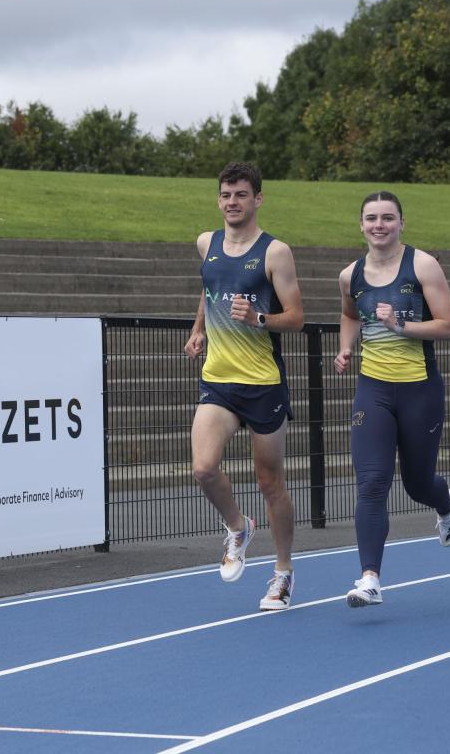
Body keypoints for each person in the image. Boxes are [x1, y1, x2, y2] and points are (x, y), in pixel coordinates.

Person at [184, 161, 305, 611]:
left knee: (270, 481)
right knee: (203, 469)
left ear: (257, 199)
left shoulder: (275, 253)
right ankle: (238, 526)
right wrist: (198, 328)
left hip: (262, 383)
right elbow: (209, 287)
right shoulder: (207, 243)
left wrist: (259, 319)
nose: (231, 202)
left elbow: (296, 316)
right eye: (225, 195)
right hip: (218, 379)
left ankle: (283, 573)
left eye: (240, 195)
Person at [334, 191, 450, 608]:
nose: (379, 225)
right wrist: (346, 348)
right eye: (371, 218)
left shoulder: (422, 265)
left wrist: (401, 323)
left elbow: (447, 326)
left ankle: (445, 506)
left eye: (388, 218)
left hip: (419, 388)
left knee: (417, 483)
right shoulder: (350, 274)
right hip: (373, 389)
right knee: (372, 483)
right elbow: (351, 315)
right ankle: (370, 578)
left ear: (401, 223)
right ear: (361, 225)